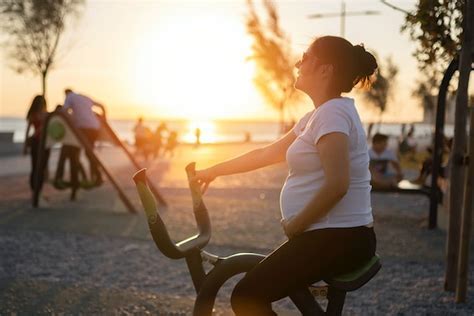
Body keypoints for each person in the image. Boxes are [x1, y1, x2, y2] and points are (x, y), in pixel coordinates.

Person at [192, 36, 377, 314]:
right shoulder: (316, 116)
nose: (297, 63)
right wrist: (213, 171)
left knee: (246, 295)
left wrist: (296, 224)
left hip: (340, 238)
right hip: (330, 237)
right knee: (250, 291)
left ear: (325, 69)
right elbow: (266, 154)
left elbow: (338, 184)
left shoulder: (332, 114)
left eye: (305, 57)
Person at [62, 88, 105, 185]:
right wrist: (104, 118)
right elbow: (101, 105)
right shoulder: (83, 96)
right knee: (89, 152)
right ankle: (96, 176)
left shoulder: (69, 97)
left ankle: (89, 177)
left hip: (83, 127)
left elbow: (64, 111)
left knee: (75, 152)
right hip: (95, 127)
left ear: (66, 93)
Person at [24, 95, 49, 193]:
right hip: (36, 142)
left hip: (45, 143)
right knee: (35, 166)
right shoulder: (34, 115)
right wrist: (25, 146)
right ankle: (35, 190)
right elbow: (28, 130)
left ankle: (38, 190)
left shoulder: (47, 114)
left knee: (42, 166)